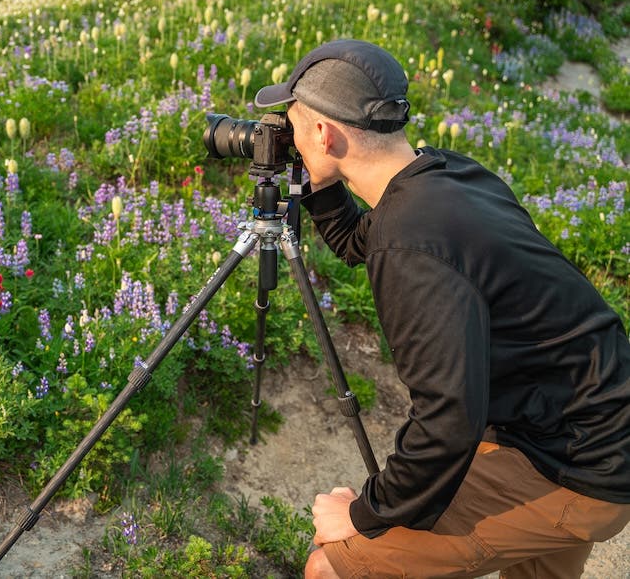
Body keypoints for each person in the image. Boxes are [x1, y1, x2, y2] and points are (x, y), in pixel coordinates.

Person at [253, 39, 630, 578]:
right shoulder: (447, 175)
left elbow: (449, 420)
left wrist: (363, 513)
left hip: (571, 466)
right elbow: (359, 240)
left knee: (331, 567)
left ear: (323, 133)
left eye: (292, 124)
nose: (287, 137)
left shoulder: (409, 245)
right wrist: (317, 185)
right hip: (595, 425)